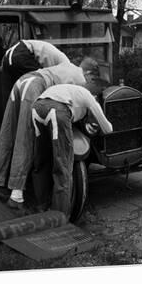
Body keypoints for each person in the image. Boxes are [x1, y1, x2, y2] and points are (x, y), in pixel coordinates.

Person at [0, 58, 100, 208]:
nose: (90, 81)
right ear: (89, 72)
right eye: (92, 78)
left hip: (22, 82)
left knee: (7, 133)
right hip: (34, 86)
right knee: (25, 137)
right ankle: (16, 195)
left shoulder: (66, 66)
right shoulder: (79, 77)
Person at [31, 84, 113, 219]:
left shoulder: (70, 89)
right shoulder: (89, 97)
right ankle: (59, 215)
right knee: (63, 166)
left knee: (41, 160)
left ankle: (41, 206)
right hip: (56, 111)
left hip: (36, 108)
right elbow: (107, 128)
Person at [1, 40, 70, 106]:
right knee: (36, 86)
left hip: (9, 54)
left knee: (10, 95)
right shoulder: (66, 66)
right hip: (22, 52)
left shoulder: (61, 62)